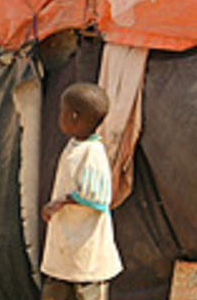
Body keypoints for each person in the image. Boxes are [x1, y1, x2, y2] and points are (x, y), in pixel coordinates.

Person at [40, 82, 123, 300]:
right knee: (57, 285)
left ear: (74, 117)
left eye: (63, 112)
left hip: (86, 244)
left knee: (86, 289)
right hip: (66, 242)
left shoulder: (93, 152)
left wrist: (61, 202)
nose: (59, 117)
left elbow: (97, 196)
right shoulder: (75, 146)